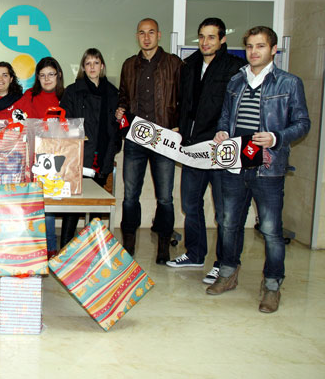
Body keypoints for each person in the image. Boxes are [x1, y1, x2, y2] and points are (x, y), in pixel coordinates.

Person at [207, 26, 310, 313]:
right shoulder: (236, 81)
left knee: (270, 229)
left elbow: (303, 123)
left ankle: (273, 284)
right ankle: (227, 273)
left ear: (273, 50)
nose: (254, 51)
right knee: (228, 223)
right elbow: (226, 116)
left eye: (261, 46)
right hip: (235, 166)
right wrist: (221, 134)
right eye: (250, 46)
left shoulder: (289, 83)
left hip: (268, 169)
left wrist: (276, 137)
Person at [166, 18, 247, 285]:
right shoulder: (189, 65)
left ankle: (223, 264)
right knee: (191, 203)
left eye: (211, 37)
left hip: (220, 149)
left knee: (224, 212)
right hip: (192, 148)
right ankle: (195, 253)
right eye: (201, 37)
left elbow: (238, 109)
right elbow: (183, 102)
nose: (205, 42)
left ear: (222, 40)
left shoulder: (235, 68)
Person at [115, 18, 182, 264]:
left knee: (165, 196)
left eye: (151, 32)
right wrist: (120, 109)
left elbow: (184, 99)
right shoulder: (129, 65)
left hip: (164, 138)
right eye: (142, 33)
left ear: (159, 35)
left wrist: (179, 126)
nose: (146, 37)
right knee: (130, 195)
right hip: (135, 139)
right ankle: (129, 244)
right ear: (137, 36)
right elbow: (123, 95)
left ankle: (163, 246)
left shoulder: (174, 64)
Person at [60, 48, 120, 248]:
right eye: (88, 63)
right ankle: (65, 250)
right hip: (79, 156)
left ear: (102, 66)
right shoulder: (72, 91)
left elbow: (116, 126)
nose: (92, 67)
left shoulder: (113, 92)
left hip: (102, 154)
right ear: (83, 67)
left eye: (96, 63)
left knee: (96, 204)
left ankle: (93, 248)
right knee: (74, 206)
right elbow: (65, 124)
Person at [20, 56, 64, 255]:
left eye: (51, 75)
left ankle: (50, 248)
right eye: (42, 75)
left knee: (49, 206)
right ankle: (33, 249)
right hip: (32, 158)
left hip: (57, 159)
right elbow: (21, 123)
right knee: (33, 205)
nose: (47, 79)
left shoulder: (65, 95)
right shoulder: (29, 95)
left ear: (58, 75)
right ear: (37, 77)